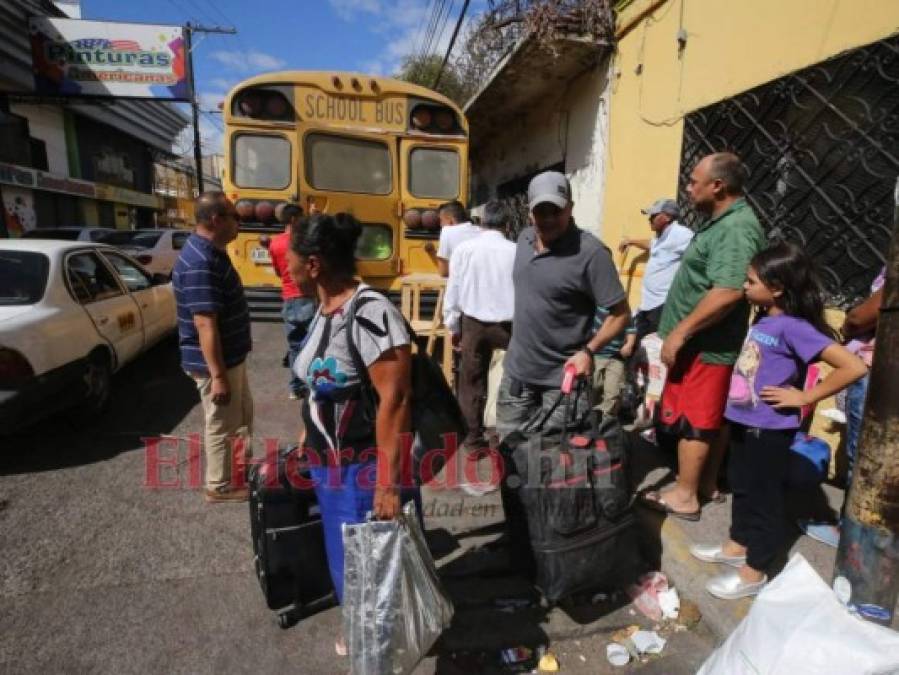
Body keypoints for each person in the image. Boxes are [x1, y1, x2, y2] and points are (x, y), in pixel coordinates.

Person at [689, 243, 866, 599]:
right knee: (740, 485)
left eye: (752, 281)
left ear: (777, 288)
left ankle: (755, 570)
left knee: (764, 498)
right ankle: (737, 545)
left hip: (770, 429)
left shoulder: (794, 327)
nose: (744, 286)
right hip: (743, 421)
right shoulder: (764, 317)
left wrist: (805, 397)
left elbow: (854, 365)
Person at [287, 213, 419, 655]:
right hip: (332, 470)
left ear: (313, 264)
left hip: (365, 472)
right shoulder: (325, 310)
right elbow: (320, 385)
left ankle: (380, 649)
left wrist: (388, 484)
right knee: (350, 565)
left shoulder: (370, 312)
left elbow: (395, 401)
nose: (282, 264)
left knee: (373, 566)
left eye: (290, 256)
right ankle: (364, 632)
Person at [641, 152, 766, 520]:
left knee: (697, 419)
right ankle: (707, 484)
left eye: (694, 180)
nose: (688, 187)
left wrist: (680, 332)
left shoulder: (735, 228)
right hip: (700, 344)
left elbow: (728, 290)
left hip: (707, 346)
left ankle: (685, 496)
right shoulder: (722, 222)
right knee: (709, 417)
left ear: (718, 185)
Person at [497, 170, 631, 442]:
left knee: (555, 465)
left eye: (556, 211)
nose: (548, 219)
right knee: (509, 455)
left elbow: (621, 314)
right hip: (518, 376)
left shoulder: (591, 253)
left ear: (570, 208)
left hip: (563, 383)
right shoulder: (523, 239)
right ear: (529, 212)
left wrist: (589, 351)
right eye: (541, 211)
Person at [172, 192, 253, 503]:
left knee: (240, 417)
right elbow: (204, 323)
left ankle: (237, 473)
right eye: (235, 216)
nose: (239, 223)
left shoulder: (211, 253)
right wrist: (217, 375)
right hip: (217, 365)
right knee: (221, 423)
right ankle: (220, 486)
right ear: (215, 220)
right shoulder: (201, 262)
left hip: (231, 359)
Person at [799, 266, 885, 547]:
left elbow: (865, 315)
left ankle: (853, 536)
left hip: (881, 371)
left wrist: (849, 324)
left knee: (865, 456)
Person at [443, 200, 516, 451]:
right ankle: (506, 436)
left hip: (473, 324)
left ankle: (473, 440)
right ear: (507, 225)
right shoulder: (516, 251)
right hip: (510, 326)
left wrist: (453, 326)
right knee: (514, 378)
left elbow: (453, 290)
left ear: (482, 222)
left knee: (471, 382)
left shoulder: (465, 250)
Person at [619, 198, 694, 343]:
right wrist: (631, 241)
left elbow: (699, 252)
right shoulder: (661, 237)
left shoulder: (681, 234)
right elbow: (652, 245)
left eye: (653, 216)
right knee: (637, 345)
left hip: (663, 305)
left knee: (653, 347)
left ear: (667, 217)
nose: (650, 219)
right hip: (648, 304)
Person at [268, 203, 316, 400]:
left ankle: (296, 388)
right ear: (295, 219)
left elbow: (279, 271)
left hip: (288, 299)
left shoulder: (275, 243)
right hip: (307, 297)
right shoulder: (302, 243)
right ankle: (312, 385)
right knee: (314, 344)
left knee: (295, 346)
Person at [592, 307, 637, 417]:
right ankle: (592, 416)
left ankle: (606, 420)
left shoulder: (623, 309)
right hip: (596, 355)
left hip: (616, 357)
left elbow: (631, 329)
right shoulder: (595, 307)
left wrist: (629, 344)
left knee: (613, 392)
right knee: (594, 386)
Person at [436, 200, 480, 277]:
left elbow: (443, 272)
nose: (440, 224)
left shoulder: (447, 231)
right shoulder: (480, 230)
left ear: (450, 220)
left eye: (441, 220)